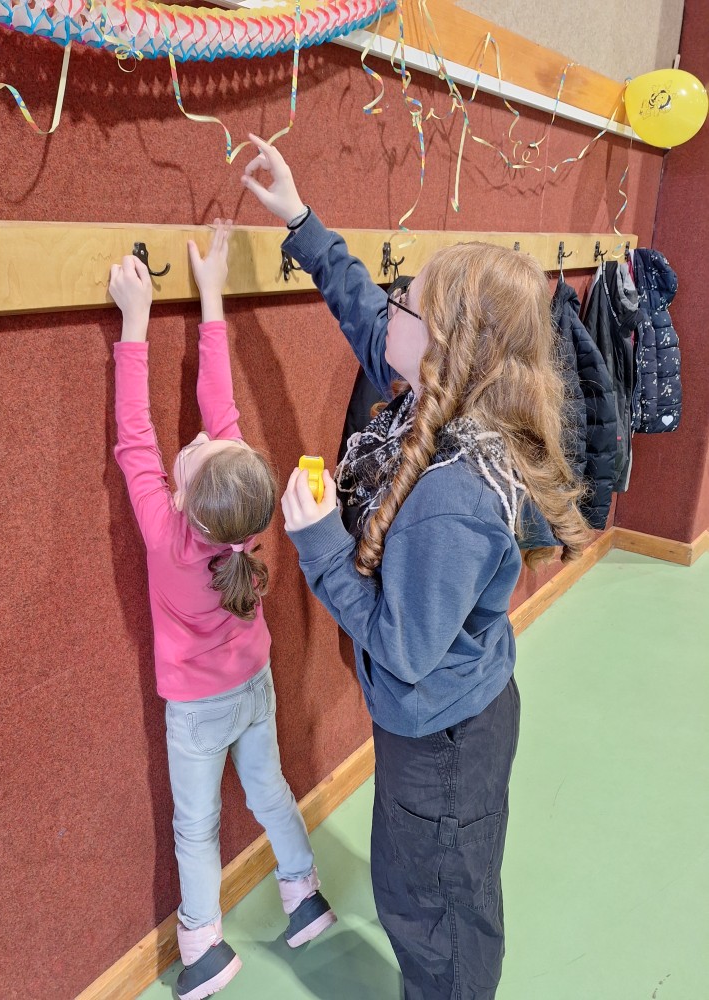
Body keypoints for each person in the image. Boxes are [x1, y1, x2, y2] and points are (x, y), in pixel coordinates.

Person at [241, 138, 590, 1000]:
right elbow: (364, 311)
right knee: (428, 888)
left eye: (406, 301)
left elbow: (401, 648)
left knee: (433, 911)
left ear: (443, 351)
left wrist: (320, 542)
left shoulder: (452, 498)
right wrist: (300, 218)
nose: (388, 306)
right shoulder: (445, 396)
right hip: (441, 725)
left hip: (444, 742)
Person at [109, 221, 335, 1000]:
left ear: (184, 497)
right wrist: (210, 296)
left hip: (199, 712)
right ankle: (304, 897)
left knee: (196, 827)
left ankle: (204, 947)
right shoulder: (247, 517)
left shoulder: (169, 538)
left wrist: (135, 323)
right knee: (271, 791)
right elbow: (220, 406)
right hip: (253, 687)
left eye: (196, 450)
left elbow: (135, 437)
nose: (205, 435)